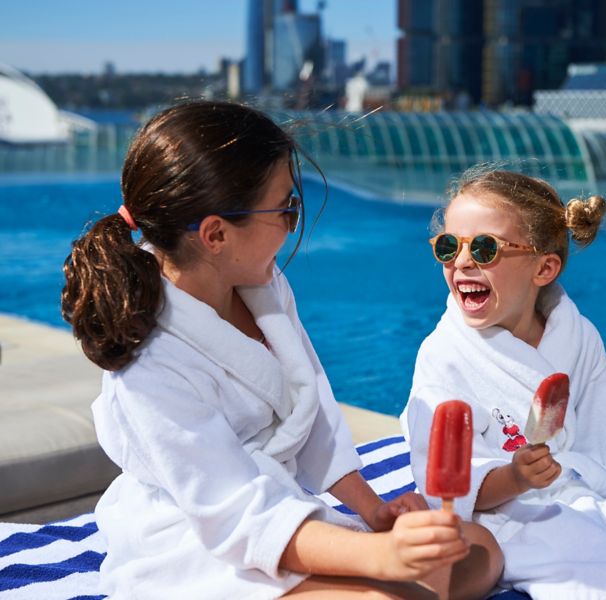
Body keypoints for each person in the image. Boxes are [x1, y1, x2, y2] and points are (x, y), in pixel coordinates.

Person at [61, 101, 503, 600]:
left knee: (478, 549)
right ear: (216, 234)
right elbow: (236, 515)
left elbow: (311, 408)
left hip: (281, 512)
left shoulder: (263, 286)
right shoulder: (151, 364)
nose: (294, 223)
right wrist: (382, 556)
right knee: (392, 594)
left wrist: (375, 512)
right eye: (286, 208)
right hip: (200, 539)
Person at [401, 168, 606, 599]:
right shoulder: (444, 354)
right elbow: (448, 487)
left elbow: (599, 438)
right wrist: (515, 478)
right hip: (502, 516)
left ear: (544, 268)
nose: (462, 262)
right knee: (601, 582)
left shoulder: (578, 337)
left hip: (577, 496)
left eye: (484, 248)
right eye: (449, 246)